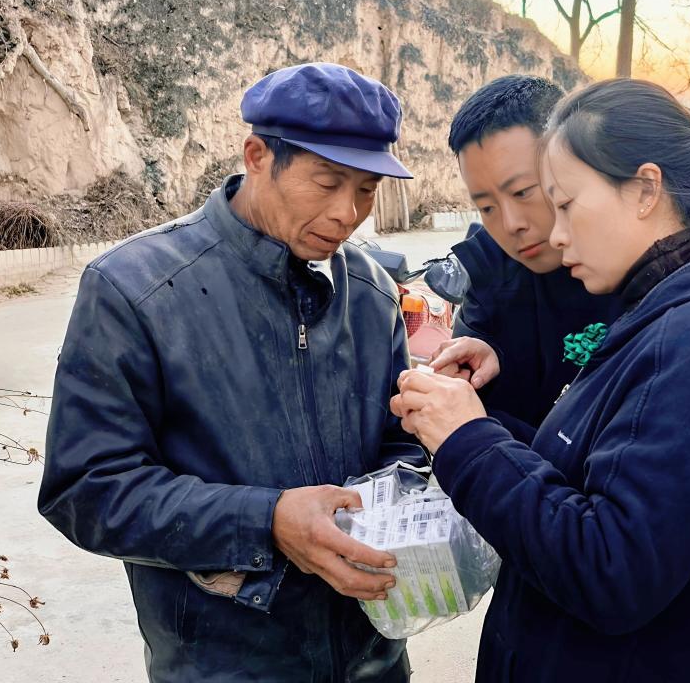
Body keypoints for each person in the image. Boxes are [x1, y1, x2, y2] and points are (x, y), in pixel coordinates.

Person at [392, 79, 690, 682]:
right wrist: (472, 416)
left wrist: (469, 441)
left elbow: (610, 569)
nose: (552, 232)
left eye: (564, 203)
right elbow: (603, 477)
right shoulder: (667, 318)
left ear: (646, 189)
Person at [38, 62, 428, 682]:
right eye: (327, 182)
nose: (348, 212)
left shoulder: (373, 291)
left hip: (373, 662)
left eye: (366, 189)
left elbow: (399, 447)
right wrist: (266, 522)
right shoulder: (135, 290)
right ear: (257, 156)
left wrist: (400, 500)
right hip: (220, 666)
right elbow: (86, 489)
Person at [431, 75, 620, 430]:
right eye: (486, 207)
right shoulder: (488, 276)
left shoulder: (642, 273)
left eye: (522, 192)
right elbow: (468, 415)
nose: (511, 224)